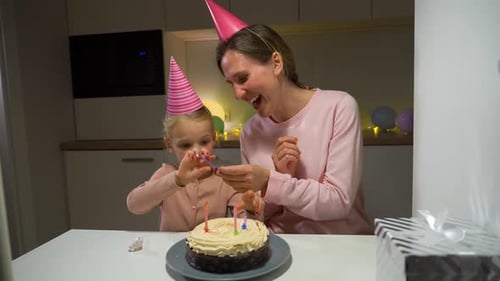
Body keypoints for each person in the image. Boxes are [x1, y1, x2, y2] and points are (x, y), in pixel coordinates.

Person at [204, 0, 373, 234]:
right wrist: (256, 206)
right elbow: (262, 214)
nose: (237, 94)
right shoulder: (250, 132)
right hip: (280, 248)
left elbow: (339, 203)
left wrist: (269, 181)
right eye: (230, 84)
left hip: (341, 246)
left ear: (276, 63)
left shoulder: (339, 107)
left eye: (242, 78)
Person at [127, 57, 262, 231]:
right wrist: (177, 180)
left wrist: (251, 208)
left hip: (210, 255)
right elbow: (135, 205)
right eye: (185, 145)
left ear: (214, 138)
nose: (197, 151)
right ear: (169, 144)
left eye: (204, 141)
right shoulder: (167, 174)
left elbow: (246, 224)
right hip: (170, 252)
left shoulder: (224, 178)